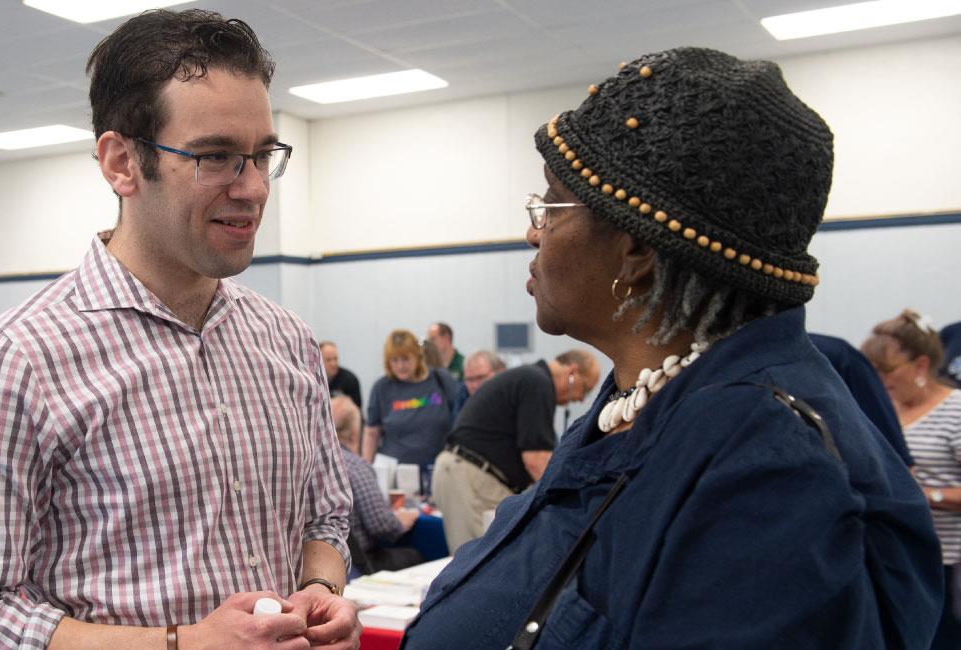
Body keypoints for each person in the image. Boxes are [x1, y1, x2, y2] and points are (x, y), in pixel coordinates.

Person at [403, 48, 940, 648]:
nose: (534, 229)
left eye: (551, 205)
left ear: (636, 252)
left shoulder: (767, 475)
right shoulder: (647, 397)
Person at [0, 10, 356, 650]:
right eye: (216, 158)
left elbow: (325, 516)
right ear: (122, 163)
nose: (254, 187)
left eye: (263, 156)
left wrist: (323, 593)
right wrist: (183, 645)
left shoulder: (284, 339)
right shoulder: (14, 363)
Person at [432, 349, 599, 553]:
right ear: (572, 372)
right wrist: (572, 503)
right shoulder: (538, 384)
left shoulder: (530, 379)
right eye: (585, 388)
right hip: (470, 478)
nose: (581, 399)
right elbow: (536, 460)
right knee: (478, 565)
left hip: (469, 474)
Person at [862, 310, 961, 648]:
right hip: (896, 562)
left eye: (886, 370)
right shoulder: (882, 407)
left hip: (947, 567)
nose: (878, 378)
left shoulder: (956, 410)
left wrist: (921, 494)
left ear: (920, 365)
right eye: (870, 369)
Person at [333, 396, 422, 574]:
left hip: (328, 561)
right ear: (354, 431)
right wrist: (402, 520)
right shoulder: (356, 467)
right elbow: (382, 526)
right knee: (416, 555)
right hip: (361, 562)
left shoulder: (312, 463)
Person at [811, 333, 912, 467]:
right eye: (876, 371)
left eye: (888, 370)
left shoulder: (837, 354)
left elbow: (894, 458)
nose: (883, 379)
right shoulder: (836, 353)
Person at [364, 329, 459, 465]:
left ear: (417, 357)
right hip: (396, 469)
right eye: (394, 360)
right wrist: (367, 466)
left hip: (437, 466)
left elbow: (461, 415)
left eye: (406, 359)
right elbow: (372, 432)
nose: (400, 366)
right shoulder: (382, 387)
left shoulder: (440, 379)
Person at [321, 340, 363, 411]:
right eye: (328, 360)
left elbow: (356, 410)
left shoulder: (350, 379)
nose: (333, 364)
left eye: (335, 358)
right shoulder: (312, 381)